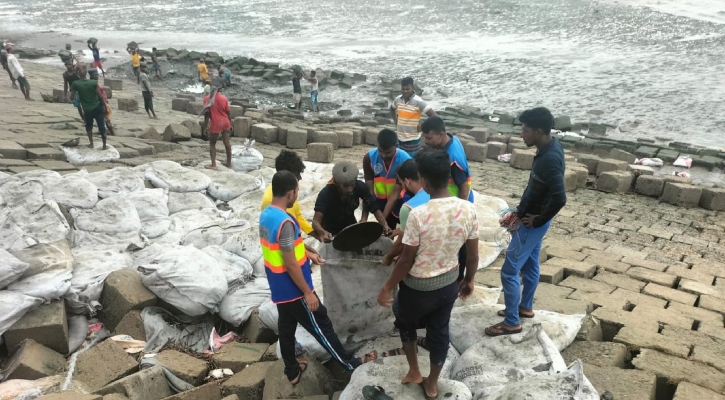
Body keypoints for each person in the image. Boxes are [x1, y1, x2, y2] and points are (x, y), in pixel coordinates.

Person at [376, 150, 479, 400]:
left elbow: (407, 260)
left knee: (406, 323)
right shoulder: (468, 210)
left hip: (417, 288)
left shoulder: (418, 214)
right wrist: (469, 279)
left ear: (424, 180)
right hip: (448, 285)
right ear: (447, 177)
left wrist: (388, 286)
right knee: (439, 332)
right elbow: (473, 255)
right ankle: (432, 384)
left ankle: (414, 371)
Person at [260, 171, 379, 385]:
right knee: (322, 325)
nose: (297, 194)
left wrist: (308, 253)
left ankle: (292, 370)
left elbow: (283, 248)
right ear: (290, 193)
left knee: (286, 328)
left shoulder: (267, 214)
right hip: (294, 290)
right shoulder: (286, 222)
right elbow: (289, 263)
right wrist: (307, 292)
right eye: (296, 190)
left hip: (279, 287)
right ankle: (350, 363)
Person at [485, 107, 566, 337]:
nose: (522, 135)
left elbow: (560, 197)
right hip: (530, 220)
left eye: (526, 130)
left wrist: (538, 219)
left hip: (533, 225)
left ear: (539, 131)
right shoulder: (549, 148)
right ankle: (525, 307)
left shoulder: (549, 159)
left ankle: (512, 322)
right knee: (530, 264)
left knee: (509, 271)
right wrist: (519, 212)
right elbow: (538, 190)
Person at [421, 116, 474, 282]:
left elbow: (463, 188)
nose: (426, 141)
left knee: (460, 242)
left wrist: (459, 213)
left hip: (457, 203)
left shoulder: (453, 158)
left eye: (429, 138)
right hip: (449, 200)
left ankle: (459, 277)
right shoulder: (451, 139)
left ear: (441, 134)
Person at [312, 161, 392, 241]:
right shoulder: (325, 194)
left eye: (352, 185)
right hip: (330, 230)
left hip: (350, 226)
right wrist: (323, 232)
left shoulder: (359, 186)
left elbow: (373, 206)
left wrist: (384, 224)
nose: (350, 189)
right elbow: (315, 222)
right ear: (336, 183)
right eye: (346, 186)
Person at [261, 150, 318, 240]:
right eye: (297, 174)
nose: (300, 177)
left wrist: (315, 234)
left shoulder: (288, 192)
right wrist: (306, 250)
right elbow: (285, 241)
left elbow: (298, 216)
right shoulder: (270, 201)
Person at [363, 128, 411, 230]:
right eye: (381, 151)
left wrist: (382, 221)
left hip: (401, 200)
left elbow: (395, 195)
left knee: (405, 230)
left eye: (388, 152)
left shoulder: (404, 160)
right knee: (387, 231)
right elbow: (369, 191)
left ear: (396, 146)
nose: (384, 155)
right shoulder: (369, 158)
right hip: (381, 200)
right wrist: (365, 218)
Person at [390, 76, 437, 155]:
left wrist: (423, 127)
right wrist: (396, 121)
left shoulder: (418, 101)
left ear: (412, 87)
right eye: (403, 89)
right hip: (400, 138)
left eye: (408, 89)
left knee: (412, 163)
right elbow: (392, 108)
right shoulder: (398, 99)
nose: (405, 91)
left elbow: (434, 116)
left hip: (413, 140)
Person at [70, 68, 107, 149]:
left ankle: (91, 144)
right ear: (86, 73)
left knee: (89, 126)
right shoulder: (93, 82)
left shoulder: (75, 84)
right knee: (101, 126)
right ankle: (104, 145)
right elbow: (100, 96)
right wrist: (105, 106)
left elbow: (72, 97)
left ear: (77, 74)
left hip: (87, 109)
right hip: (97, 107)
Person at [202, 83, 232, 170]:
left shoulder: (207, 99)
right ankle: (229, 163)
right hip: (225, 121)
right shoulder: (224, 98)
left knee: (212, 143)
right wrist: (230, 123)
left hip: (216, 122)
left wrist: (205, 126)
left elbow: (207, 114)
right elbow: (228, 112)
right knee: (227, 143)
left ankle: (213, 164)